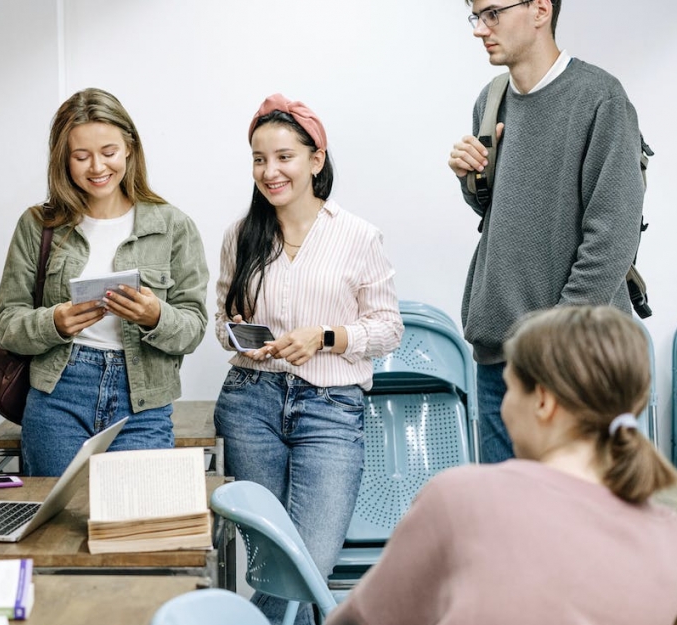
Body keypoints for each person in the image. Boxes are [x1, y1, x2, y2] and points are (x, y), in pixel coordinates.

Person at [327, 305, 677, 624]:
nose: (503, 407)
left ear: (542, 401)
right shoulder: (667, 534)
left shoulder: (462, 497)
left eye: (509, 389)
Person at [214, 93, 403, 625]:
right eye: (258, 159)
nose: (269, 171)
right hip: (250, 405)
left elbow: (389, 328)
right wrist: (241, 335)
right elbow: (221, 325)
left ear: (315, 160)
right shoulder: (241, 235)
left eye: (283, 157)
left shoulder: (358, 236)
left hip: (330, 409)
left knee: (307, 563)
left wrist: (325, 337)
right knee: (272, 559)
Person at [447, 0, 645, 463]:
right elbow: (499, 212)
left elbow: (612, 240)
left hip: (576, 362)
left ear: (539, 9)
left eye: (492, 13)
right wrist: (469, 177)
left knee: (584, 525)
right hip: (500, 359)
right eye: (475, 15)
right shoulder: (490, 99)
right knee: (507, 525)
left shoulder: (601, 99)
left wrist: (551, 344)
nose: (480, 29)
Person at [0, 88, 209, 477]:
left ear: (129, 148)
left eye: (108, 152)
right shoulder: (38, 226)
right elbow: (7, 324)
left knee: (134, 527)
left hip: (143, 402)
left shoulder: (173, 226)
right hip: (58, 396)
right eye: (81, 156)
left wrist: (156, 316)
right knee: (55, 529)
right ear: (63, 160)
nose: (97, 167)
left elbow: (193, 328)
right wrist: (54, 322)